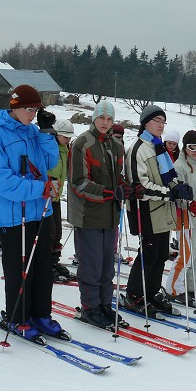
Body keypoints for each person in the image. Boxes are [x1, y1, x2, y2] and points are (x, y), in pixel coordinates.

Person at [0, 84, 68, 341]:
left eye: (36, 109)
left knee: (42, 269)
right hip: (12, 215)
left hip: (38, 213)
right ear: (15, 106)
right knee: (20, 270)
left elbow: (51, 162)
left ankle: (41, 314)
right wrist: (39, 189)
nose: (33, 113)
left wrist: (45, 131)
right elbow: (2, 181)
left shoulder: (32, 131)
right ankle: (18, 317)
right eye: (29, 109)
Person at [67, 100, 132, 329]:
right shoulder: (83, 143)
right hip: (88, 215)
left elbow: (118, 177)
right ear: (94, 118)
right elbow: (78, 183)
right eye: (101, 118)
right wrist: (109, 192)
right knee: (91, 264)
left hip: (111, 216)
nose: (105, 123)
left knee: (107, 265)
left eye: (109, 119)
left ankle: (105, 304)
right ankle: (90, 307)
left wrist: (125, 187)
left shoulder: (116, 146)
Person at [122, 105, 191, 316]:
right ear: (146, 122)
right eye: (157, 120)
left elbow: (168, 177)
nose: (161, 125)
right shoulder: (138, 148)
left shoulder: (158, 147)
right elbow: (140, 186)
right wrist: (170, 193)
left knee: (161, 254)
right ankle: (134, 295)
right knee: (149, 253)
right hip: (147, 210)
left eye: (163, 121)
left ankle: (151, 292)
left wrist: (179, 187)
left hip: (164, 210)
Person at [166, 130, 196, 306]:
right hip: (186, 218)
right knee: (185, 256)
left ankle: (192, 287)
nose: (195, 151)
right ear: (184, 147)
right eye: (191, 147)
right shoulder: (179, 167)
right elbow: (176, 195)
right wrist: (188, 205)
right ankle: (173, 289)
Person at [48, 119, 75, 281]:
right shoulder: (50, 148)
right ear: (56, 134)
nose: (68, 140)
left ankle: (53, 262)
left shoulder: (66, 149)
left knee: (57, 231)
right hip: (45, 197)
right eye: (65, 137)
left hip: (56, 197)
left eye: (69, 137)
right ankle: (45, 265)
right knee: (50, 232)